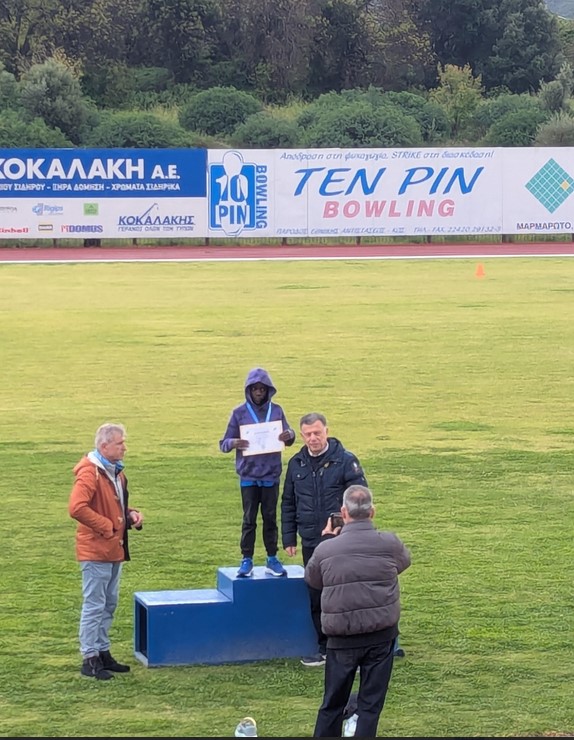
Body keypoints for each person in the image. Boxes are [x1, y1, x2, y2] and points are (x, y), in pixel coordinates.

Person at [305, 484, 411, 738]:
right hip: (381, 635)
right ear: (372, 512)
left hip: (342, 638)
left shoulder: (326, 549)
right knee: (370, 707)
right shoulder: (390, 543)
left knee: (332, 704)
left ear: (343, 512)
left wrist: (329, 540)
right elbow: (403, 563)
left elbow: (313, 579)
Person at [281, 412, 368, 667]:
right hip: (311, 541)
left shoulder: (346, 461)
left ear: (326, 432)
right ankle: (324, 647)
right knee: (317, 595)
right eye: (308, 434)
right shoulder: (296, 464)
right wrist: (289, 537)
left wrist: (345, 527)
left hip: (342, 541)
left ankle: (355, 646)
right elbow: (288, 503)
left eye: (317, 433)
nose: (313, 438)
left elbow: (360, 499)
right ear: (302, 435)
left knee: (346, 594)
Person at [68, 422, 143, 680]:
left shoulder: (114, 472)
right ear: (104, 446)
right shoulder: (91, 473)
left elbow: (112, 505)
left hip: (111, 548)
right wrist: (106, 525)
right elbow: (77, 507)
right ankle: (90, 658)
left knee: (108, 603)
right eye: (120, 443)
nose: (125, 448)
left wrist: (129, 514)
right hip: (96, 549)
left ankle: (102, 652)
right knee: (95, 604)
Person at [220, 367, 295, 578]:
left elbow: (289, 436)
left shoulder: (277, 411)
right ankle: (247, 559)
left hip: (270, 474)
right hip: (249, 476)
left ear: (268, 390)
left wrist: (289, 435)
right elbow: (223, 443)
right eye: (255, 389)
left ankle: (272, 558)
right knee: (249, 519)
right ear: (249, 390)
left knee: (270, 518)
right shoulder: (239, 413)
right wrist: (234, 442)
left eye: (262, 389)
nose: (259, 393)